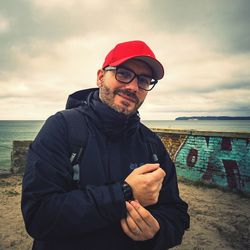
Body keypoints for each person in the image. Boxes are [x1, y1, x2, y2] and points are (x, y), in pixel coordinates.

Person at [21, 40, 189, 250]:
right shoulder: (62, 127)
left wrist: (158, 230)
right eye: (124, 73)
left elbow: (177, 214)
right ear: (100, 77)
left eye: (144, 80)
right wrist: (124, 192)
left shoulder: (151, 143)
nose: (133, 87)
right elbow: (39, 216)